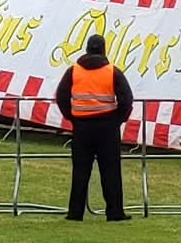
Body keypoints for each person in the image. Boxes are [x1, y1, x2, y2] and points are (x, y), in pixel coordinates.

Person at [55, 32, 134, 222]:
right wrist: (117, 120)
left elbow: (61, 96)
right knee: (111, 171)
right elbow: (127, 99)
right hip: (107, 127)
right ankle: (115, 212)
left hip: (82, 127)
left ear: (87, 49)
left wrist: (72, 117)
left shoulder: (73, 71)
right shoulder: (112, 71)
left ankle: (75, 213)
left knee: (80, 171)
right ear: (104, 49)